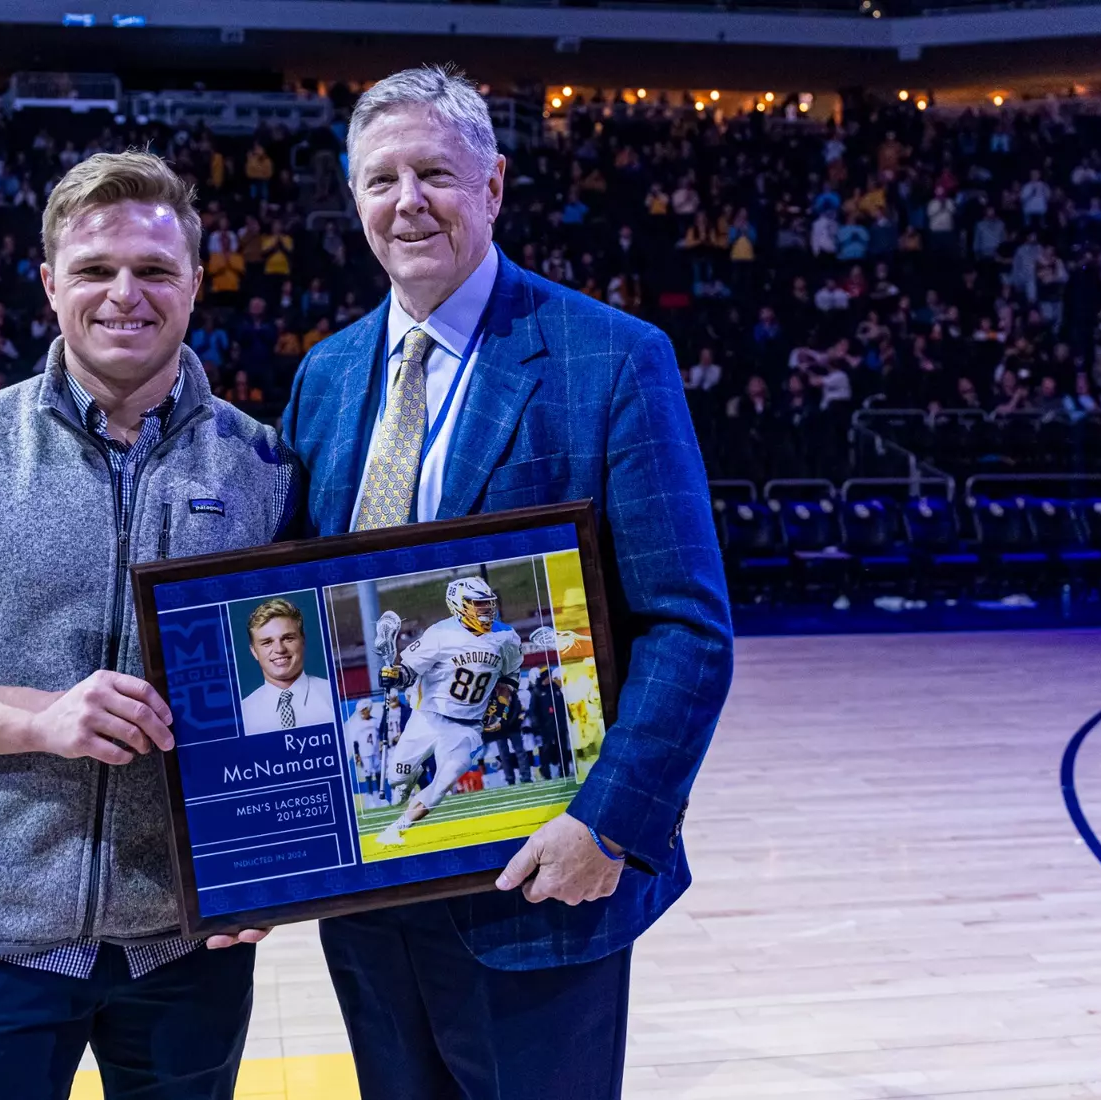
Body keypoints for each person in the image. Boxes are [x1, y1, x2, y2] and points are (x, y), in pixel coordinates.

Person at [281, 66, 732, 1100]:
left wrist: (611, 821)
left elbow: (688, 625)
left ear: (492, 186)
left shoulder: (611, 356)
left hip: (541, 871)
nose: (408, 202)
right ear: (353, 200)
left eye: (435, 172)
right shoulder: (328, 373)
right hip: (373, 873)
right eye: (381, 179)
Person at [0, 151, 302, 1100]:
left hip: (187, 942)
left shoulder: (267, 467)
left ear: (196, 285)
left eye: (155, 271)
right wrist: (39, 719)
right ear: (50, 284)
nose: (125, 294)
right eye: (94, 270)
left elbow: (301, 678)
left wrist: (283, 866)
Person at [371, 577, 523, 847]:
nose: (486, 610)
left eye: (489, 604)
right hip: (428, 717)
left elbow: (509, 676)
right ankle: (404, 783)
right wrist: (394, 676)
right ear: (459, 605)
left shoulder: (506, 637)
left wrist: (502, 704)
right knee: (397, 776)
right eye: (479, 604)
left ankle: (399, 828)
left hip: (467, 727)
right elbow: (408, 672)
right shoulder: (440, 634)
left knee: (445, 781)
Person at [238, 598, 335, 735]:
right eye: (267, 642)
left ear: (303, 641)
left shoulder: (333, 696)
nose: (279, 649)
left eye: (288, 638)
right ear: (254, 651)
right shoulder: (242, 715)